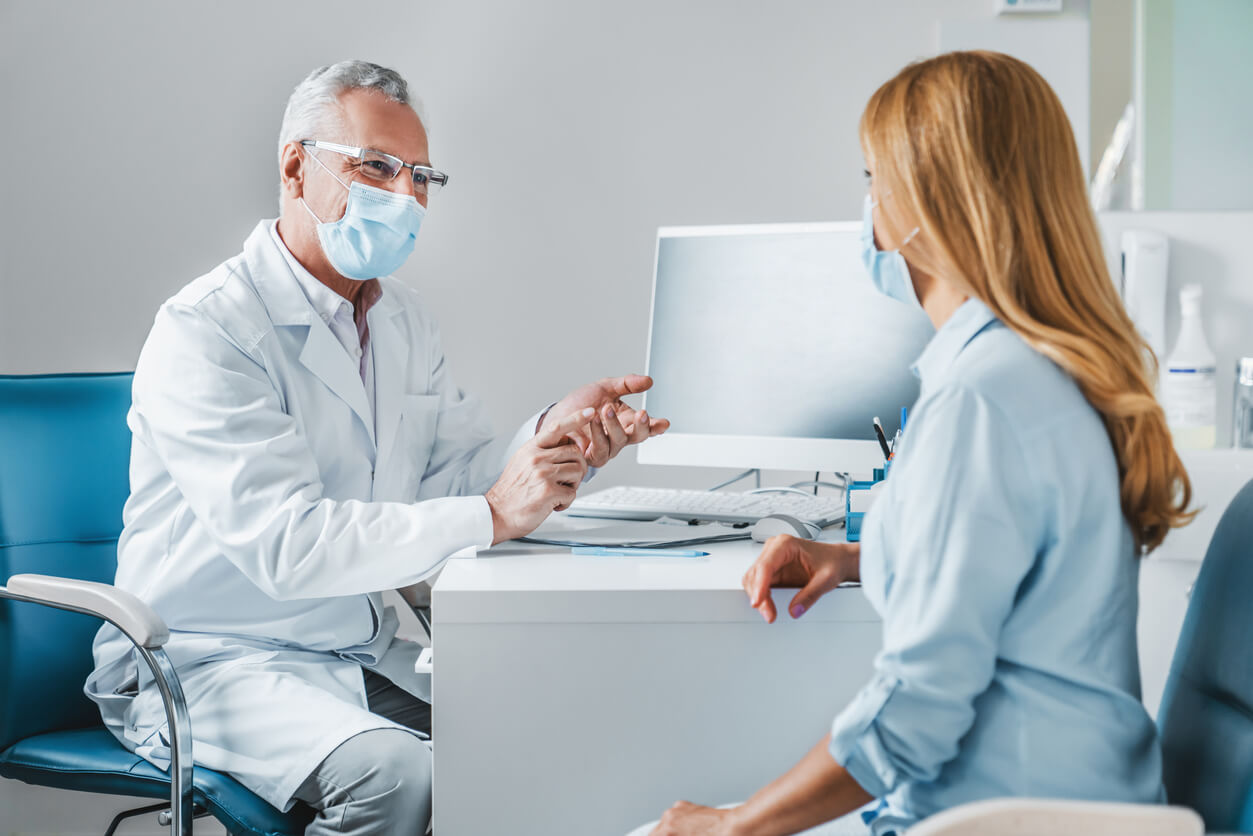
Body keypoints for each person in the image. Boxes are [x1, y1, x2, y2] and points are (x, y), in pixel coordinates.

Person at [86, 60, 668, 836]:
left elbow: (449, 480)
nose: (404, 197)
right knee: (398, 781)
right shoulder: (208, 328)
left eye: (420, 175)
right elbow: (288, 548)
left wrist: (552, 437)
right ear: (296, 167)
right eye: (376, 168)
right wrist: (496, 511)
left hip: (350, 648)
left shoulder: (401, 321)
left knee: (547, 731)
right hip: (210, 659)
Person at [643, 50, 1193, 836]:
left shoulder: (982, 396)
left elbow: (914, 713)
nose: (864, 207)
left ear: (928, 201)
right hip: (1066, 796)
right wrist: (862, 557)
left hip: (1002, 817)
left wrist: (734, 825)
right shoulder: (1036, 367)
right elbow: (1019, 560)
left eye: (872, 178)